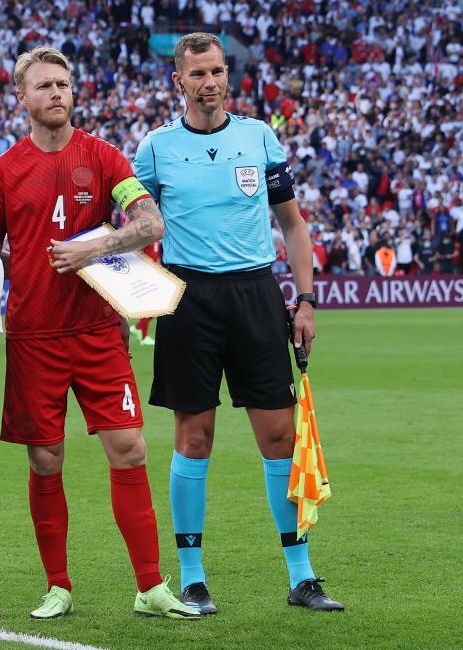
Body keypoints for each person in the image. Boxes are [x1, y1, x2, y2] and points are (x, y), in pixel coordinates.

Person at [0, 46, 200, 621]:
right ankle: (58, 585)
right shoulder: (2, 172)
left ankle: (150, 586)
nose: (57, 93)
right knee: (45, 462)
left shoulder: (104, 159)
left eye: (64, 84)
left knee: (129, 448)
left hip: (99, 332)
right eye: (45, 85)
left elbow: (151, 222)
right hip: (33, 337)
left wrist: (94, 246)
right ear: (21, 97)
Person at [132, 32, 343, 614]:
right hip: (189, 298)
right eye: (198, 73)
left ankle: (302, 575)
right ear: (178, 81)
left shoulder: (259, 137)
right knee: (193, 437)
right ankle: (193, 578)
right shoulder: (154, 148)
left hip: (255, 293)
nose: (211, 82)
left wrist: (305, 301)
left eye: (219, 71)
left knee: (278, 437)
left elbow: (294, 227)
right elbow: (131, 227)